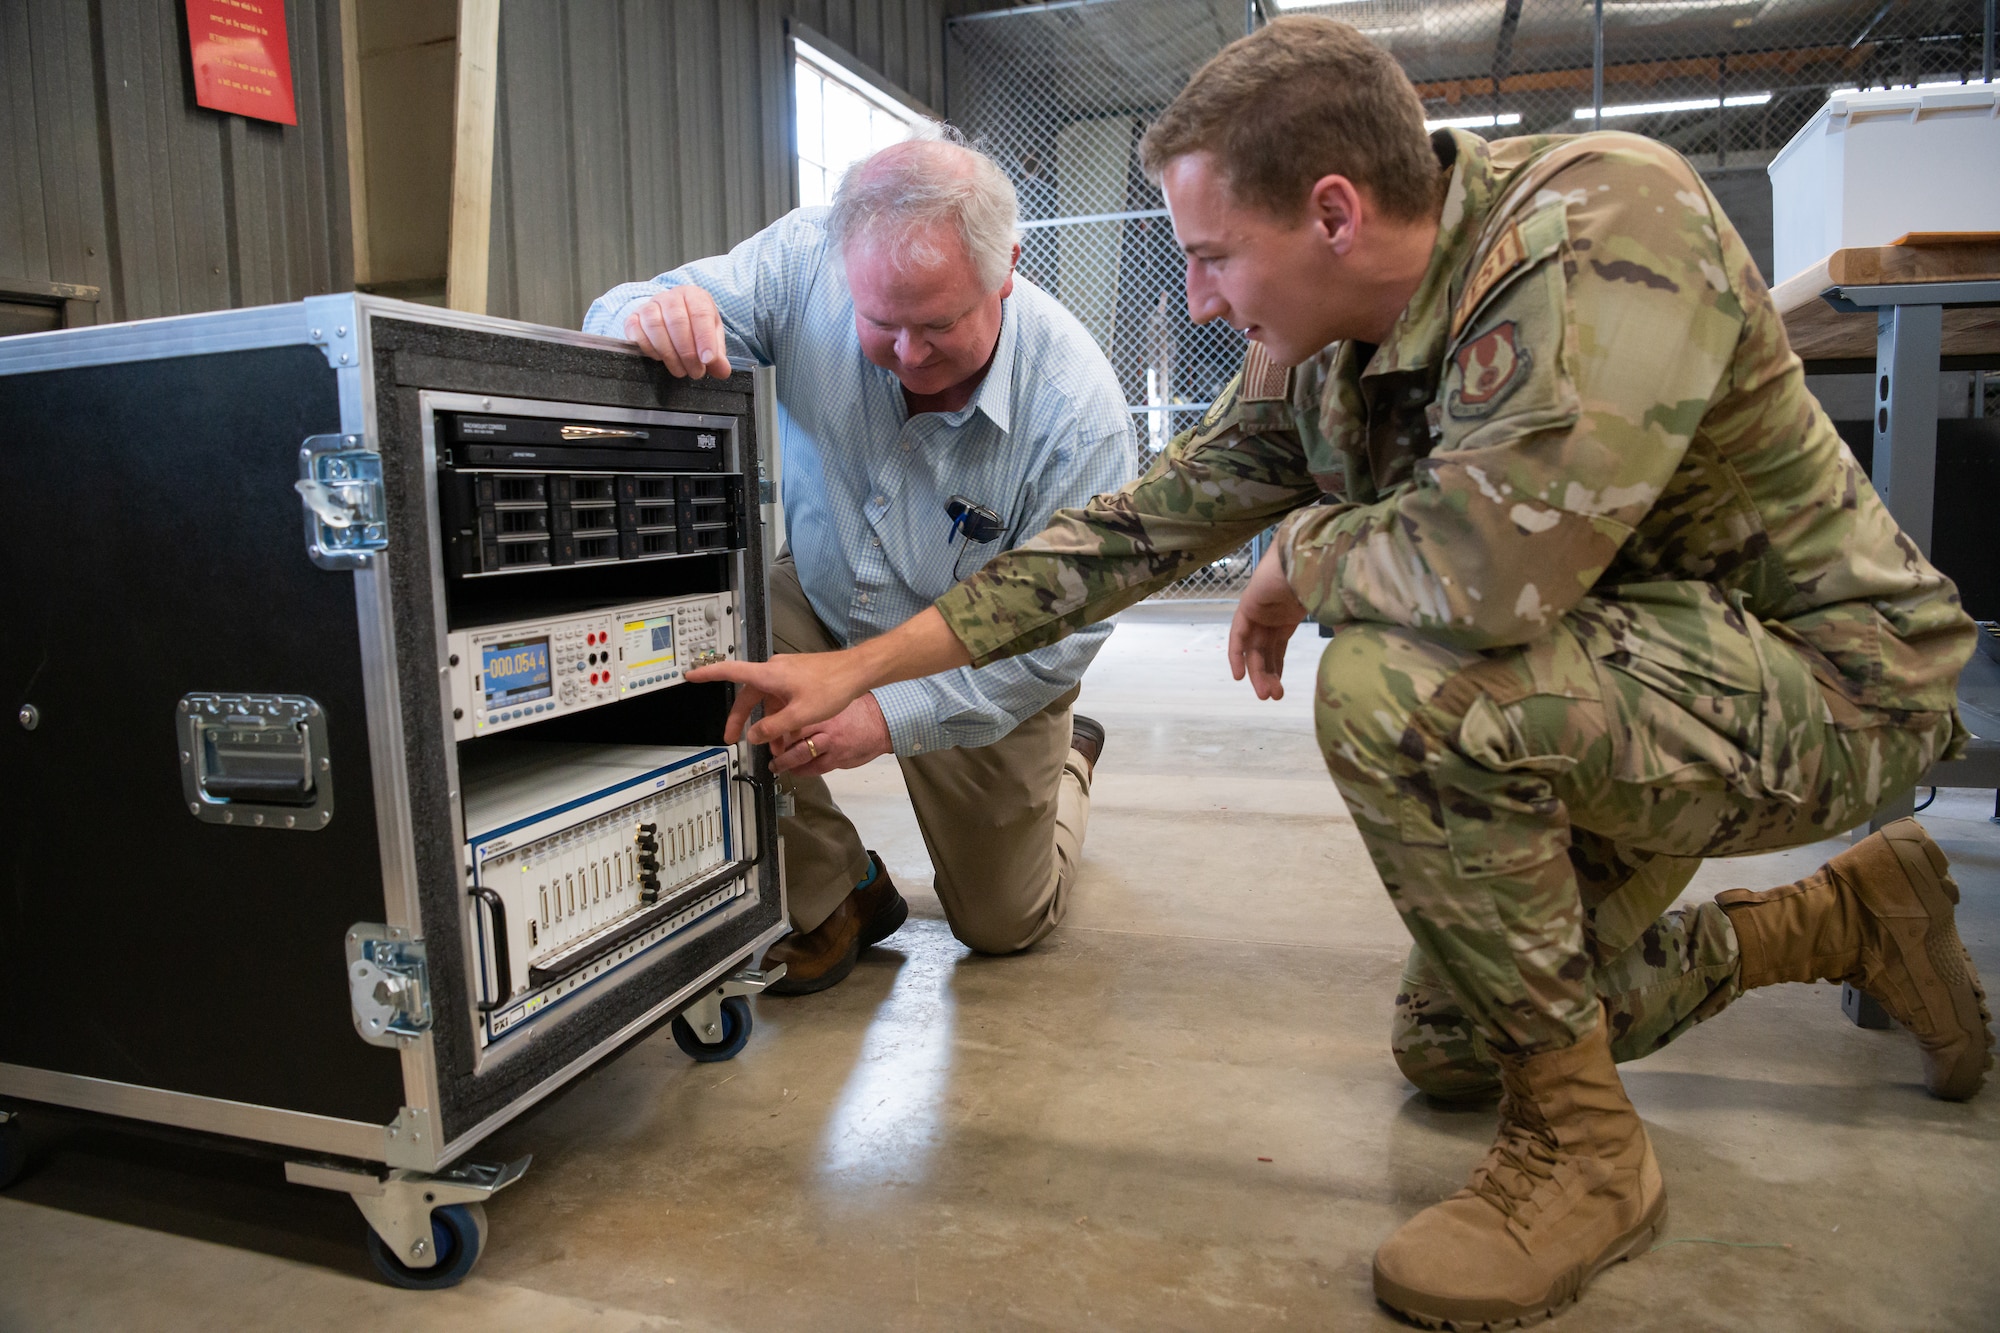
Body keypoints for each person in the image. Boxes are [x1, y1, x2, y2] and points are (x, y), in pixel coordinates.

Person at [687, 16, 1992, 1327]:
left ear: (1331, 213)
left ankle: (1586, 1155)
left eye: (1209, 256)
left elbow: (1490, 572)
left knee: (1392, 685)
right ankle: (1843, 921)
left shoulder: (1604, 225)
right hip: (1617, 688)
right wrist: (855, 667)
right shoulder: (1317, 354)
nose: (1197, 299)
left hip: (1828, 687)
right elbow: (1118, 541)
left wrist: (1306, 553)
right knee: (1452, 1039)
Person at [584, 134, 1134, 996]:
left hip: (982, 661)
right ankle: (839, 891)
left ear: (1007, 270)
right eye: (882, 323)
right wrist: (649, 317)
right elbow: (617, 308)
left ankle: (1068, 763)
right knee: (702, 663)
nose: (910, 356)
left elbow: (1052, 641)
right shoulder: (806, 257)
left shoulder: (1078, 418)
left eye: (940, 324)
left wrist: (882, 711)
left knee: (1001, 924)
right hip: (821, 591)